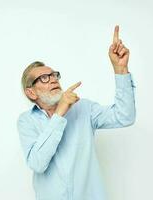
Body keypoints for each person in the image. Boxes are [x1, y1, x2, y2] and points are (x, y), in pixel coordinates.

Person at [17, 25, 136, 200]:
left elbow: (125, 117)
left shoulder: (84, 108)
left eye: (54, 75)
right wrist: (60, 113)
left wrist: (120, 70)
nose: (52, 80)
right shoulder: (26, 121)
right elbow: (37, 163)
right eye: (44, 78)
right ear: (31, 93)